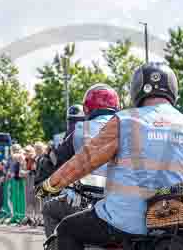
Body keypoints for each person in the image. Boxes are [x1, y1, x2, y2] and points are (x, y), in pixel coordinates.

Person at [36, 62, 183, 250]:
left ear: (137, 89)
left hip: (125, 217)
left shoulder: (126, 121)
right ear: (173, 90)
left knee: (67, 229)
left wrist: (50, 185)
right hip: (168, 214)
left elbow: (85, 161)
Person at [36, 84, 121, 237]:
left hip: (87, 201)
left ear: (87, 108)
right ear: (117, 106)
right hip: (122, 203)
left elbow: (56, 160)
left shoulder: (80, 130)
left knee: (49, 209)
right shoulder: (129, 128)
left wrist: (42, 185)